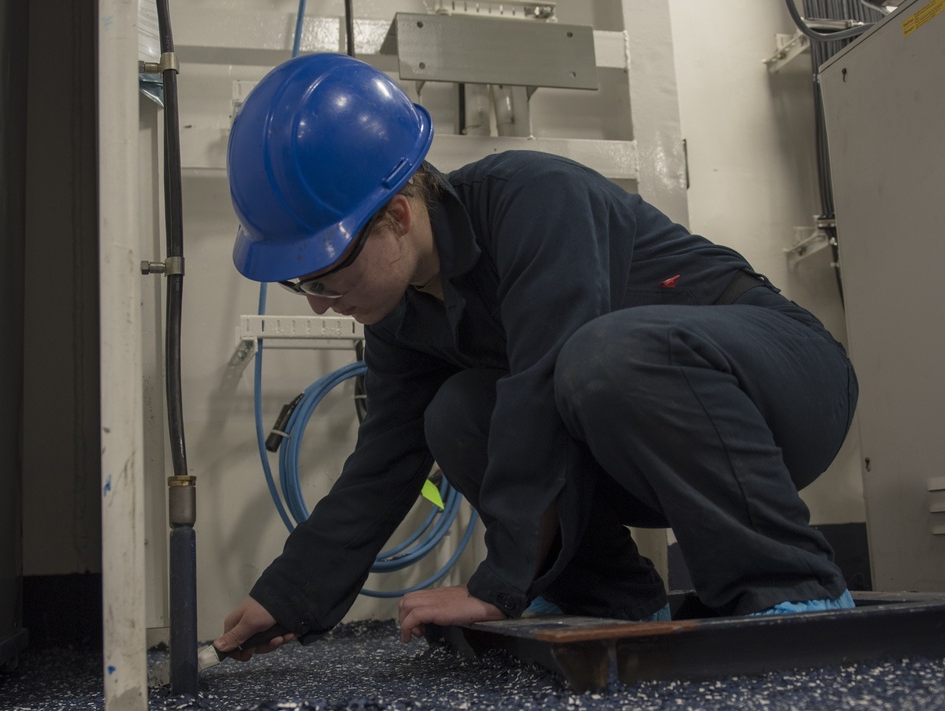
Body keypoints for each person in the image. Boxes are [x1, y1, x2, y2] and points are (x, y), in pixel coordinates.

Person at [213, 53, 858, 661]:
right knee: (456, 413)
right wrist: (288, 596)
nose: (319, 304)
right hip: (644, 449)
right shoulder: (400, 315)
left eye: (324, 277)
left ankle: (791, 589)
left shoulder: (533, 198)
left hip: (786, 389)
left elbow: (542, 385)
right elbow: (384, 461)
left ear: (400, 218)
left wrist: (498, 586)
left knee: (599, 356)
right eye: (303, 285)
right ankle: (603, 596)